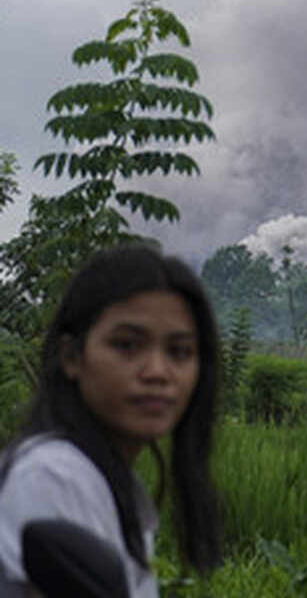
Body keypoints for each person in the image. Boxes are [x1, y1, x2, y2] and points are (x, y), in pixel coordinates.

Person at [0, 245, 223, 596]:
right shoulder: (56, 476)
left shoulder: (109, 479)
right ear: (72, 356)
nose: (157, 372)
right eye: (127, 345)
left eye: (179, 351)